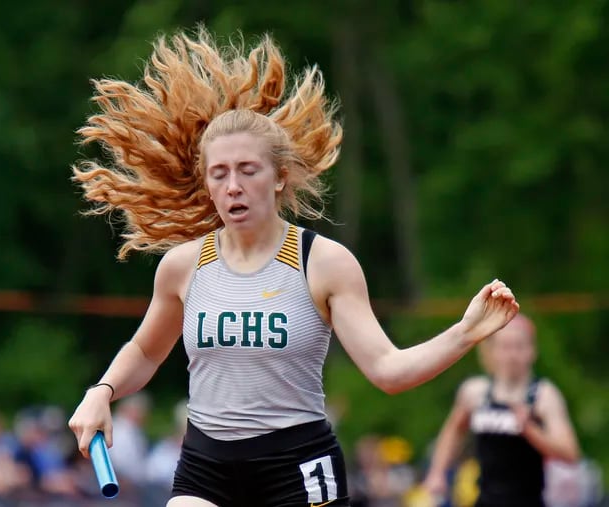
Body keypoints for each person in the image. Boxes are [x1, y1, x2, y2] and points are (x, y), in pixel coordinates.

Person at [67, 27, 519, 507]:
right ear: (206, 183)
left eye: (248, 170)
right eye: (219, 174)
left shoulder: (322, 263)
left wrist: (466, 332)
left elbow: (388, 371)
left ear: (280, 177)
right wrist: (103, 390)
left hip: (298, 467)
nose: (233, 186)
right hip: (207, 466)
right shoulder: (184, 267)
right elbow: (145, 351)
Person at [422, 315, 580, 507]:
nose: (512, 355)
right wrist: (437, 473)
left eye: (519, 346)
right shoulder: (475, 392)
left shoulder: (543, 395)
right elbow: (453, 430)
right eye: (505, 347)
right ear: (493, 351)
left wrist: (531, 431)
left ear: (532, 350)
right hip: (485, 499)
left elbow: (570, 453)